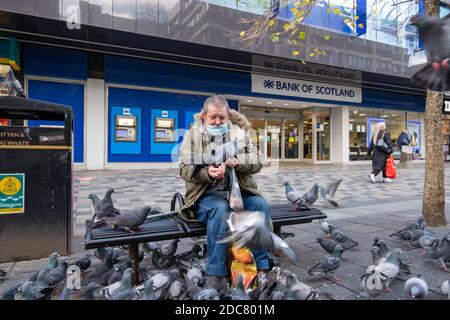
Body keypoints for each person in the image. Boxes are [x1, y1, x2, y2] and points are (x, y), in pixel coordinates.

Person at [178, 95, 272, 290]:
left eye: (222, 117)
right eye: (213, 118)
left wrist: (239, 161)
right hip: (204, 197)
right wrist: (207, 172)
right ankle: (216, 273)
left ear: (228, 115)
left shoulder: (240, 134)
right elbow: (184, 169)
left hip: (238, 193)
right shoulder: (192, 136)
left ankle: (262, 268)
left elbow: (258, 160)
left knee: (259, 205)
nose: (218, 122)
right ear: (204, 116)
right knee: (220, 209)